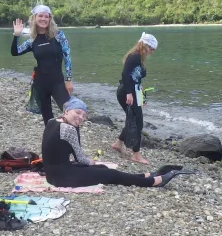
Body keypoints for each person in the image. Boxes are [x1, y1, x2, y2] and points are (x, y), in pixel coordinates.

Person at [42, 97, 188, 188]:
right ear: (66, 110)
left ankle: (145, 175)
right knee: (111, 175)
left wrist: (93, 164)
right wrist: (91, 162)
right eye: (77, 113)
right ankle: (153, 182)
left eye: (83, 115)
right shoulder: (69, 129)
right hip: (62, 177)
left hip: (53, 173)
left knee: (103, 168)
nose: (80, 118)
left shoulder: (51, 121)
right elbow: (80, 159)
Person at [11, 5, 73, 124]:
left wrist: (68, 79)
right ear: (34, 18)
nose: (43, 19)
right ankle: (50, 141)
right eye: (40, 16)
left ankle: (72, 141)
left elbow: (67, 57)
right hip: (40, 83)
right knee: (47, 118)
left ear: (50, 19)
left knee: (70, 112)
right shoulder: (32, 41)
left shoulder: (59, 35)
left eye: (46, 16)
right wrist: (16, 36)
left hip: (57, 82)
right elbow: (15, 52)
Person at [111, 32, 158, 164]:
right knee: (137, 122)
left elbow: (133, 76)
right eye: (151, 49)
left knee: (133, 118)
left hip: (133, 90)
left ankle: (118, 144)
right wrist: (129, 93)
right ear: (145, 45)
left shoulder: (139, 57)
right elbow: (125, 74)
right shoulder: (135, 56)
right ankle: (136, 154)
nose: (152, 52)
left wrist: (139, 88)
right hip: (127, 92)